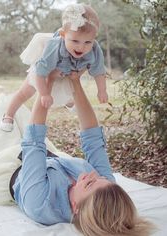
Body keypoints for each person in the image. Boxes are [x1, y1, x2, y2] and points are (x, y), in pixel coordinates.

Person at [10, 75, 154, 236]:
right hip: (52, 160)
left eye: (89, 184)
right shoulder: (105, 188)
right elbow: (93, 140)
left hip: (14, 168)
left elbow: (34, 141)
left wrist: (48, 81)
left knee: (4, 121)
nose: (92, 174)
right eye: (102, 178)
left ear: (76, 207)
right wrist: (75, 81)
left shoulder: (39, 203)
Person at [0, 3, 108, 132]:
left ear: (94, 38)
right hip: (46, 68)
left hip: (68, 71)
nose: (81, 47)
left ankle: (68, 102)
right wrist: (44, 94)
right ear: (63, 35)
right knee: (26, 91)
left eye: (87, 42)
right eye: (75, 41)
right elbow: (40, 73)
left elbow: (99, 72)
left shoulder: (95, 49)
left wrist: (102, 90)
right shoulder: (54, 46)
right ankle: (8, 115)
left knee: (69, 88)